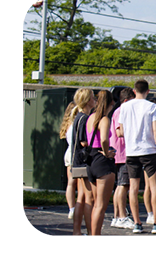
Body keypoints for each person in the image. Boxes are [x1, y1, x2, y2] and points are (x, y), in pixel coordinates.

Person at [117, 80, 156, 234]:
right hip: (149, 150)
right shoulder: (152, 107)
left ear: (134, 91)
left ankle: (137, 223)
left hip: (132, 151)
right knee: (154, 187)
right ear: (148, 91)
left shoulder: (125, 107)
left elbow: (121, 130)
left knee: (133, 188)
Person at [85, 90, 117, 262]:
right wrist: (107, 153)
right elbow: (104, 139)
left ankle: (92, 236)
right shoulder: (104, 119)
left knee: (94, 202)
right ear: (111, 103)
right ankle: (95, 241)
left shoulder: (91, 117)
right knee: (100, 206)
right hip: (102, 161)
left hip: (91, 161)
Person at [70, 88, 95, 239]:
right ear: (87, 101)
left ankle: (77, 230)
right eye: (93, 98)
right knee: (89, 198)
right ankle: (90, 230)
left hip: (77, 161)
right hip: (83, 162)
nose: (95, 100)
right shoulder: (85, 118)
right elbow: (83, 141)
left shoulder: (78, 117)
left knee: (81, 198)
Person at [110, 88, 136, 230]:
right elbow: (120, 131)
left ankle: (117, 216)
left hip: (120, 152)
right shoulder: (121, 111)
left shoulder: (118, 111)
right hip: (123, 152)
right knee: (123, 185)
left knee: (120, 185)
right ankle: (121, 217)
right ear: (126, 101)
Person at [59, 102, 78, 220]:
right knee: (79, 184)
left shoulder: (67, 124)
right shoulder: (77, 123)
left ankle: (72, 208)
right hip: (75, 153)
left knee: (70, 183)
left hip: (69, 153)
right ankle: (77, 207)